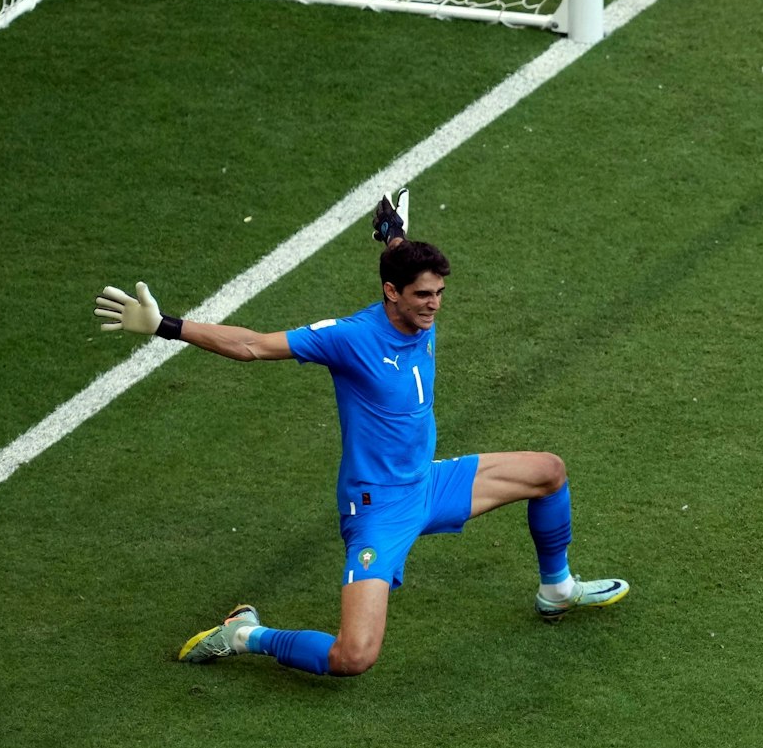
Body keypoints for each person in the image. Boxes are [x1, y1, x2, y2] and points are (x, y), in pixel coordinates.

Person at [92, 195, 628, 677]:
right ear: (391, 293)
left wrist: (392, 232)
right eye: (423, 295)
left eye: (440, 293)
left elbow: (401, 256)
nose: (435, 304)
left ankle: (556, 591)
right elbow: (252, 345)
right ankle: (246, 634)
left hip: (427, 483)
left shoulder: (417, 311)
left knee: (548, 471)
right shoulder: (351, 338)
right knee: (354, 657)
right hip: (377, 510)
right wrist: (167, 325)